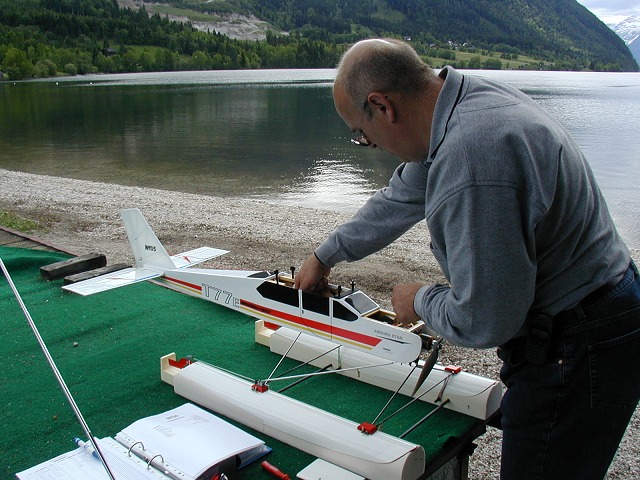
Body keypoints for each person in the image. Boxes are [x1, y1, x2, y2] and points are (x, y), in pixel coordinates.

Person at [294, 38, 640, 479]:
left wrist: (419, 300)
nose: (370, 145)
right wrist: (325, 255)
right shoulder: (457, 103)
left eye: (361, 134)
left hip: (577, 338)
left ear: (382, 106)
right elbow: (401, 196)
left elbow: (485, 318)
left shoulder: (473, 159)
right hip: (597, 309)